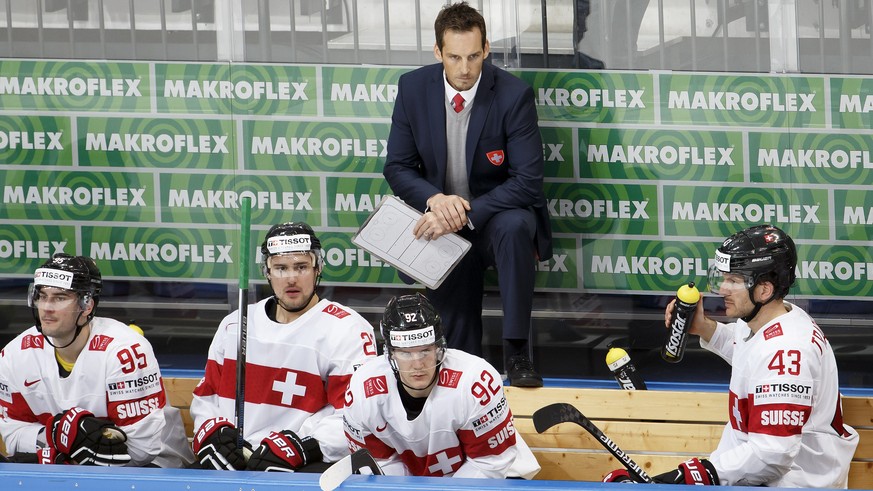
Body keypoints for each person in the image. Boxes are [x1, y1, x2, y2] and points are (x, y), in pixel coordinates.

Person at [604, 225, 859, 487]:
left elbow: (771, 454)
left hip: (791, 484)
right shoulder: (768, 321)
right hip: (761, 478)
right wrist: (704, 328)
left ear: (764, 289)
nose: (722, 289)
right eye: (723, 278)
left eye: (734, 281)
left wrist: (686, 477)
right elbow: (749, 352)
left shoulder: (787, 351)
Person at [383, 1, 552, 387]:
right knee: (451, 284)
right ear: (438, 52)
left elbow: (527, 181)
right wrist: (436, 201)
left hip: (494, 216)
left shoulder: (513, 95)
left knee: (515, 227)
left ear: (487, 49)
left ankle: (518, 353)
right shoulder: (412, 88)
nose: (464, 69)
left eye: (474, 56)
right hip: (442, 219)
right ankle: (461, 364)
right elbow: (397, 166)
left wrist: (466, 211)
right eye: (455, 57)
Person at [189, 221, 378, 471]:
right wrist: (214, 433)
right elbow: (208, 396)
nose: (291, 278)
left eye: (301, 267)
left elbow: (357, 415)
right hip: (235, 459)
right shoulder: (234, 324)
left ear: (318, 267)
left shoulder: (347, 329)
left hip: (303, 464)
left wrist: (305, 446)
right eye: (280, 268)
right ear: (266, 271)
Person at [0, 253, 193, 467]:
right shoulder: (14, 355)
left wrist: (60, 449)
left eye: (60, 298)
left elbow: (142, 449)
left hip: (155, 468)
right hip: (68, 471)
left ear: (87, 306)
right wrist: (56, 436)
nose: (47, 307)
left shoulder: (125, 352)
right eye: (42, 296)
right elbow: (13, 436)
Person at [342, 293, 540, 479]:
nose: (418, 364)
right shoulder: (363, 389)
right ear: (390, 353)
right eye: (405, 353)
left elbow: (489, 464)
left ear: (439, 348)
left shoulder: (474, 381)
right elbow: (380, 465)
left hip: (500, 477)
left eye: (425, 350)